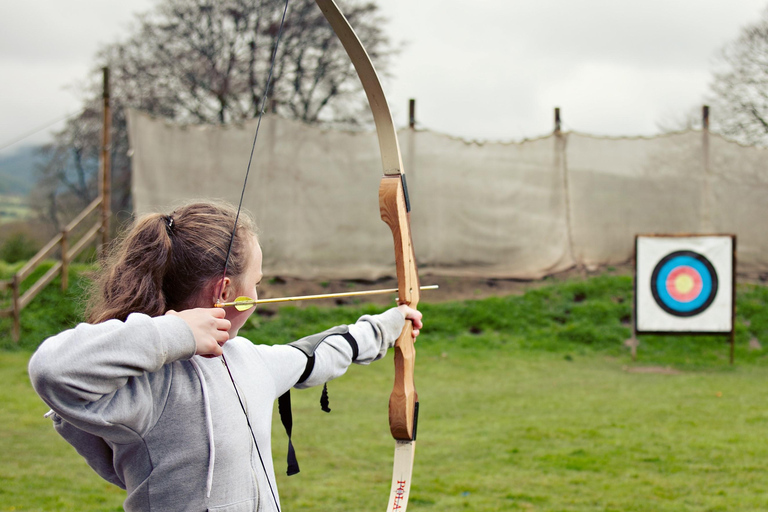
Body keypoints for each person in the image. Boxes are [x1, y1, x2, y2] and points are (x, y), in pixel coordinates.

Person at [28, 202, 423, 512]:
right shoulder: (148, 386)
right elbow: (52, 369)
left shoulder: (249, 361)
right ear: (227, 291)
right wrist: (179, 331)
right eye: (257, 283)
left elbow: (313, 356)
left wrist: (389, 326)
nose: (260, 292)